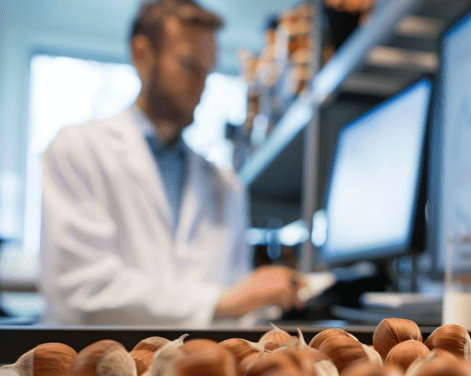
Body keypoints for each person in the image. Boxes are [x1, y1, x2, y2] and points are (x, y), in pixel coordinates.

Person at [39, 0, 303, 326]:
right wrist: (224, 301)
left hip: (199, 371)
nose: (201, 86)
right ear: (142, 55)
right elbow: (82, 290)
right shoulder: (78, 149)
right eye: (189, 66)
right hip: (101, 367)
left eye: (207, 71)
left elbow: (237, 315)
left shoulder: (225, 185)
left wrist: (274, 296)